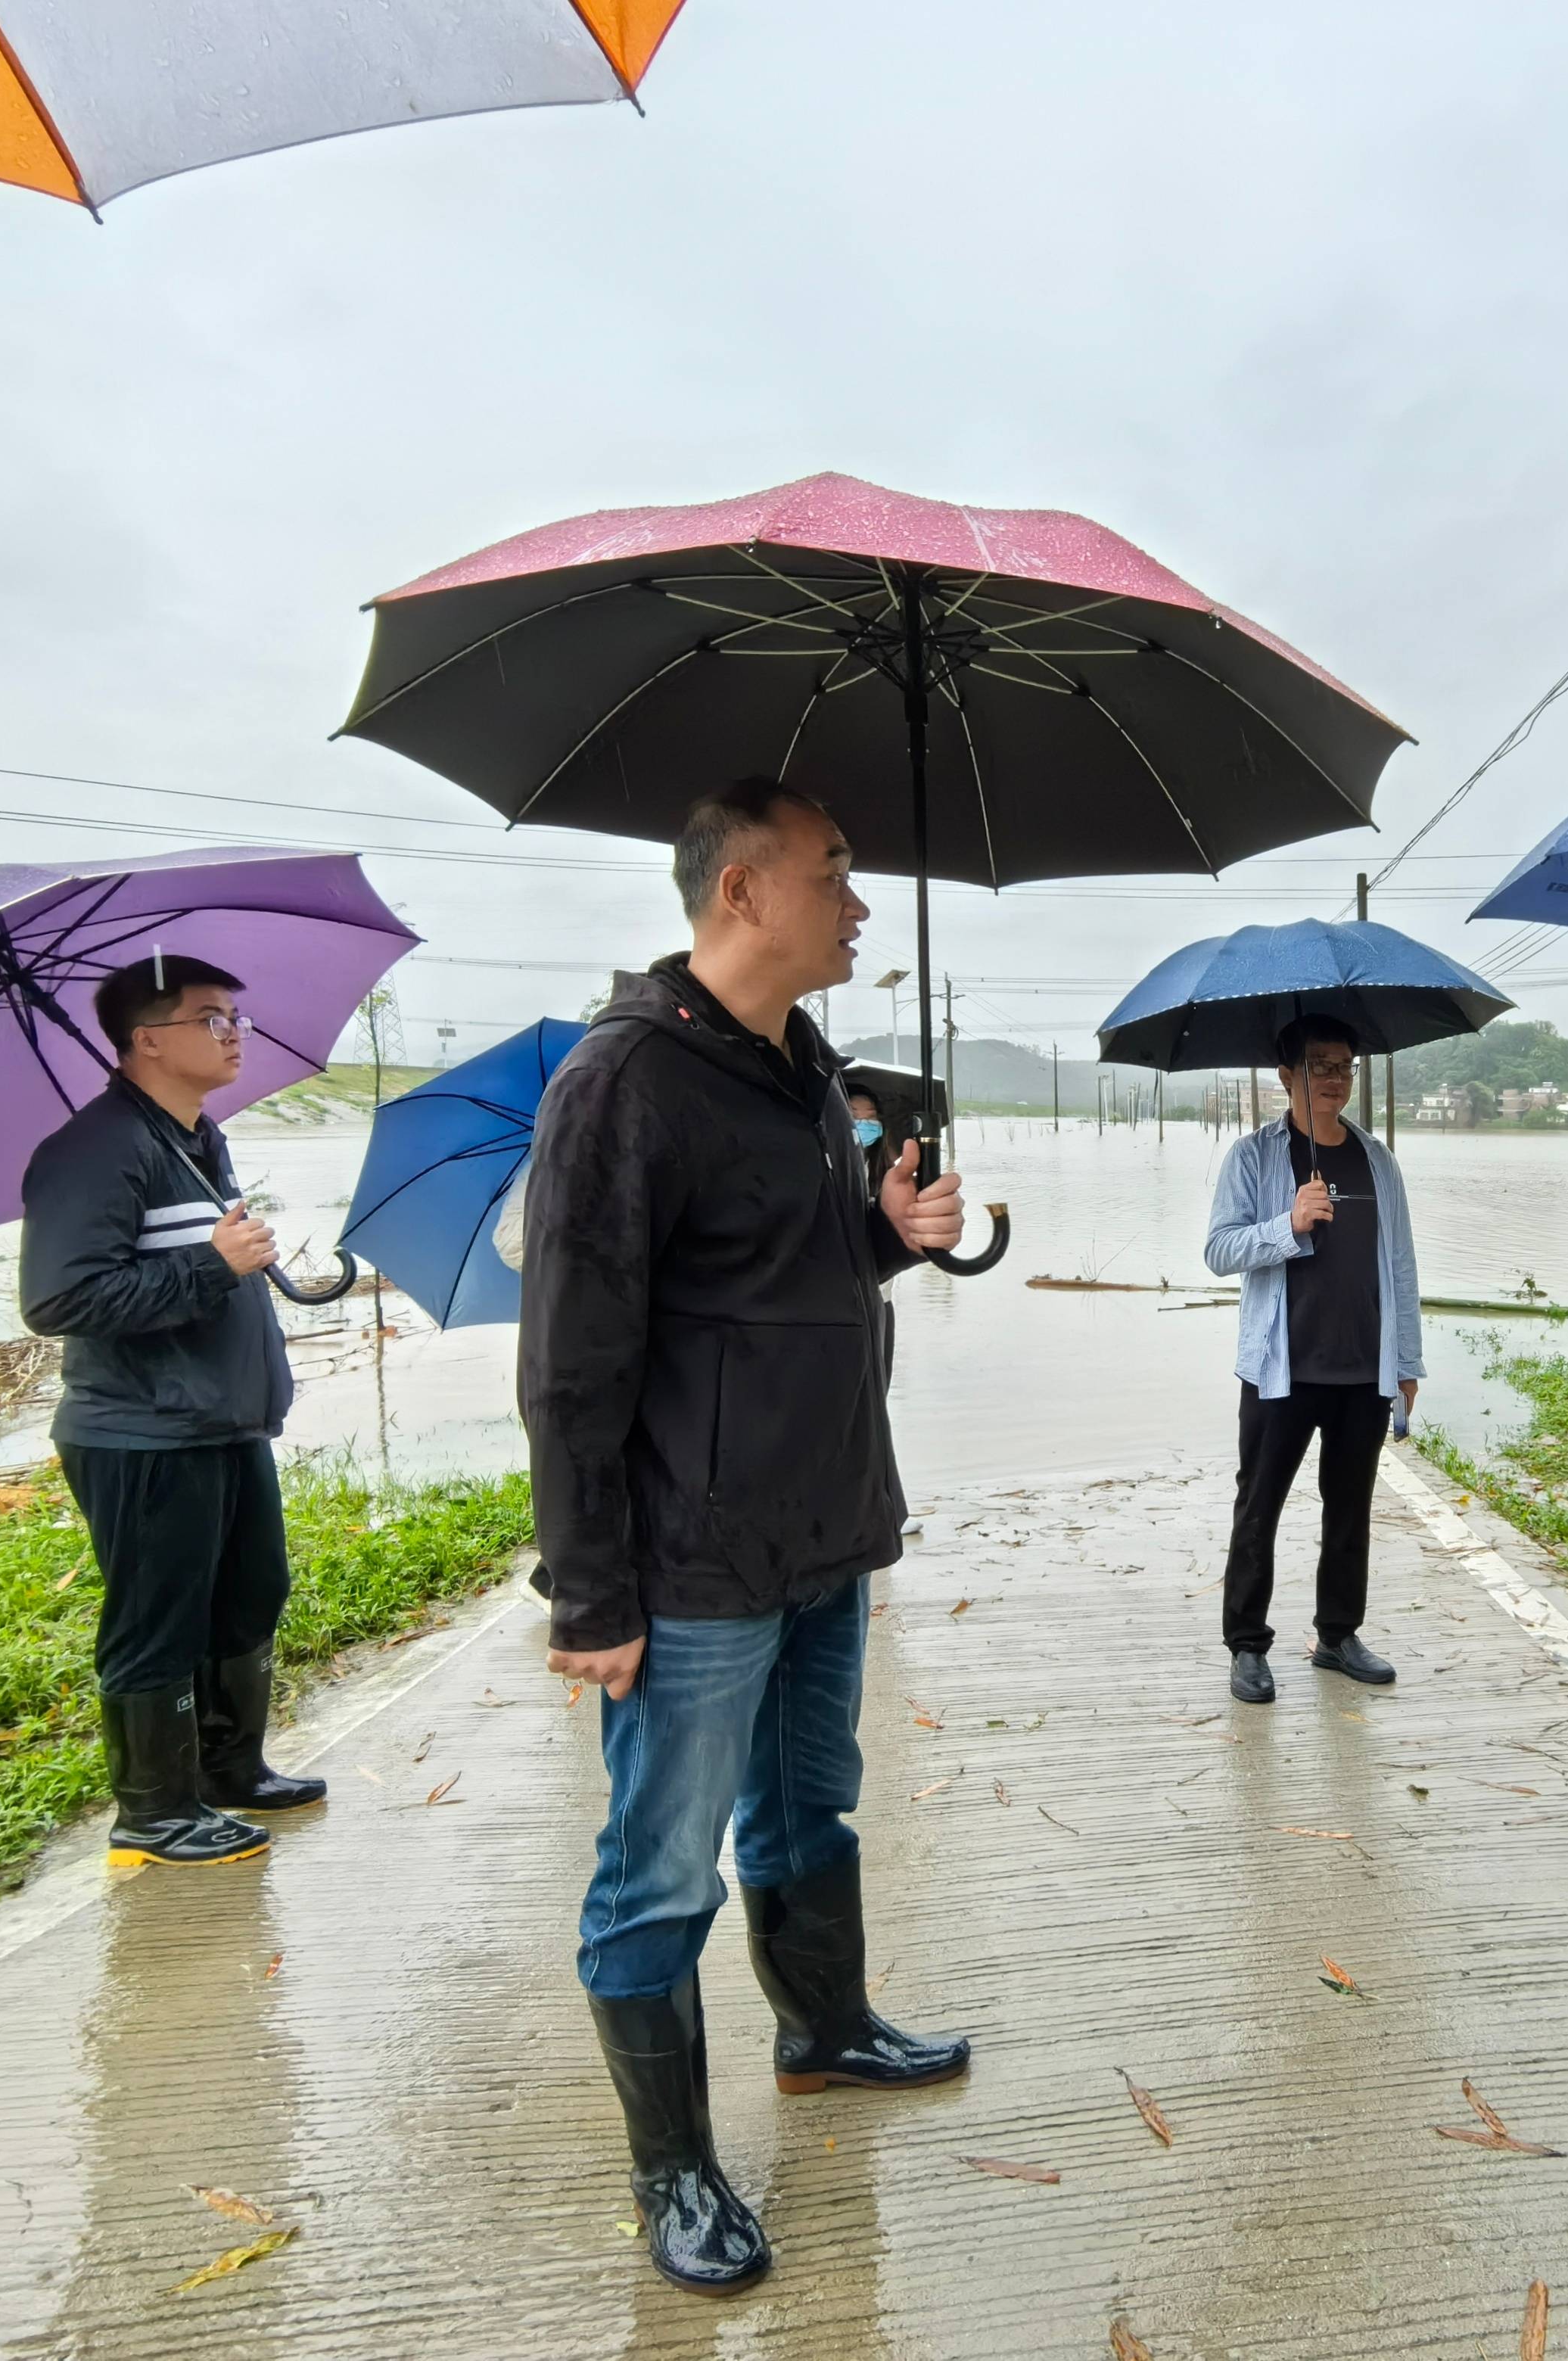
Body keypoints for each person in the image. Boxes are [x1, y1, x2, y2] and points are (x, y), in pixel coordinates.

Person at [521, 778, 971, 2299]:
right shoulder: (623, 1082)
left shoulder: (802, 1063)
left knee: (811, 1811)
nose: (855, 901)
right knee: (661, 1870)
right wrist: (591, 1588)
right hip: (692, 1559)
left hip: (823, 1529)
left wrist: (879, 1237)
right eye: (833, 873)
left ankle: (825, 2027)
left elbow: (778, 1273)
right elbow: (573, 1361)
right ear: (741, 895)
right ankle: (673, 2167)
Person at [20, 953, 319, 1871]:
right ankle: (153, 1813)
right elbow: (59, 1302)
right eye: (210, 1017)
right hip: (142, 1431)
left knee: (250, 1591)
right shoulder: (95, 1150)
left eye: (238, 1016)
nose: (235, 1032)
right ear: (147, 1039)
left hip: (222, 1421)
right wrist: (210, 1266)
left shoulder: (194, 1139)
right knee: (160, 1618)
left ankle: (231, 1770)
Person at [1201, 1014, 1423, 1706]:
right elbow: (1219, 1252)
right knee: (1258, 1508)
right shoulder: (1254, 1157)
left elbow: (1402, 1266)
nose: (1334, 1078)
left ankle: (1337, 1635)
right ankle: (1247, 1645)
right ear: (1285, 1075)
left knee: (1350, 1510)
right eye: (1320, 1065)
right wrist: (1288, 1225)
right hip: (1280, 1371)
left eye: (1344, 1066)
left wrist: (1407, 1363)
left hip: (1363, 1368)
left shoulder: (1376, 1159)